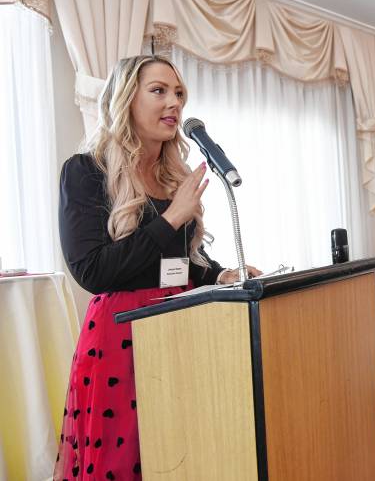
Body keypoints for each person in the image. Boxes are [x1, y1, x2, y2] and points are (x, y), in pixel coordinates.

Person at [54, 55, 261, 480]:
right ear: (127, 99)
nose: (174, 103)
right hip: (120, 338)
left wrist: (217, 275)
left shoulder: (172, 177)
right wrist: (171, 220)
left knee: (180, 457)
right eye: (159, 91)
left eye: (179, 94)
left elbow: (173, 264)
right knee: (125, 465)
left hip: (181, 331)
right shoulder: (85, 171)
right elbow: (93, 271)